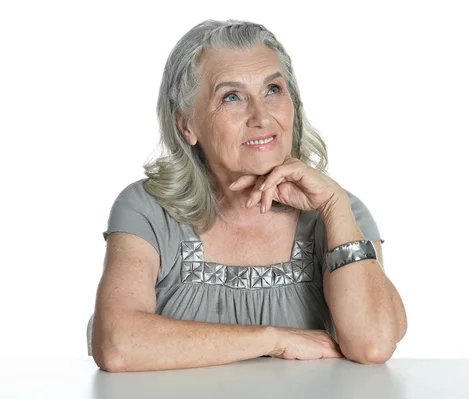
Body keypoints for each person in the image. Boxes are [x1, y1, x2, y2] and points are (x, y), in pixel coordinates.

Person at [89, 19, 407, 373]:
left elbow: (375, 343)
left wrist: (336, 208)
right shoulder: (147, 210)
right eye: (232, 97)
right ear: (186, 125)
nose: (261, 116)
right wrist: (274, 340)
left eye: (273, 90)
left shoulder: (336, 213)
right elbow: (117, 345)